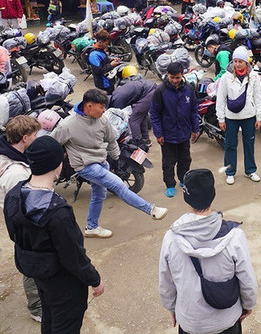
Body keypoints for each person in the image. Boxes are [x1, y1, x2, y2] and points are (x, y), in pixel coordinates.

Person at [3, 136, 102, 334]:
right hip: (63, 280)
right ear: (57, 165)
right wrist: (95, 280)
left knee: (50, 315)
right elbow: (74, 257)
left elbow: (13, 234)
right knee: (66, 326)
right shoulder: (57, 213)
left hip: (37, 270)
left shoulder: (15, 194)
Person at [159, 168, 258, 334]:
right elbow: (247, 279)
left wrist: (172, 308)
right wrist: (248, 304)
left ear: (186, 197)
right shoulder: (234, 236)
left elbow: (166, 281)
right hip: (227, 319)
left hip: (191, 322)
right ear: (213, 194)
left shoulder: (171, 238)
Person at [52, 89, 168, 238]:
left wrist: (116, 157)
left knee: (98, 196)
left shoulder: (102, 119)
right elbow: (51, 144)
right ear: (89, 106)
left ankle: (91, 227)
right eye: (101, 107)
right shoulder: (67, 125)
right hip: (85, 166)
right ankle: (151, 210)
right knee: (118, 185)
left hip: (102, 161)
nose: (104, 110)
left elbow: (111, 139)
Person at [0, 116, 43, 322]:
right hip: (24, 222)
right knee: (32, 262)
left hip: (21, 219)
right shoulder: (16, 174)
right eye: (35, 135)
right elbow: (24, 207)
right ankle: (37, 307)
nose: (37, 138)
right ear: (24, 138)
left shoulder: (9, 154)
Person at [150, 62, 199, 197]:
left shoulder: (188, 89)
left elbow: (194, 110)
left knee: (185, 159)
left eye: (177, 77)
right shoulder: (160, 91)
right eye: (172, 77)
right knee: (168, 162)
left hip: (184, 132)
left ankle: (184, 179)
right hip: (168, 135)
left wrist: (195, 129)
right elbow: (154, 114)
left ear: (182, 75)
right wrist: (158, 134)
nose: (175, 80)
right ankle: (170, 184)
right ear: (167, 75)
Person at [216, 46, 261, 185]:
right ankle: (230, 172)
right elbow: (221, 98)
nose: (237, 64)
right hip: (231, 117)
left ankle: (250, 170)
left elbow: (258, 97)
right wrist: (221, 118)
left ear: (246, 62)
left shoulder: (254, 76)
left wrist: (259, 117)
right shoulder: (226, 77)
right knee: (230, 145)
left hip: (249, 116)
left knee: (249, 144)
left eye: (240, 61)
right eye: (235, 61)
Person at [109, 73, 158, 149]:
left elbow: (121, 118)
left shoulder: (116, 101)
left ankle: (138, 142)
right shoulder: (115, 94)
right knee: (141, 116)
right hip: (150, 88)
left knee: (133, 119)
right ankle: (146, 139)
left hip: (148, 92)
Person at [88, 29, 119, 93]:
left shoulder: (100, 50)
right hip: (103, 84)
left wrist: (111, 60)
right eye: (106, 44)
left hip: (109, 81)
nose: (107, 46)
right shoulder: (94, 55)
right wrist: (111, 65)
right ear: (100, 42)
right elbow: (98, 70)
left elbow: (104, 61)